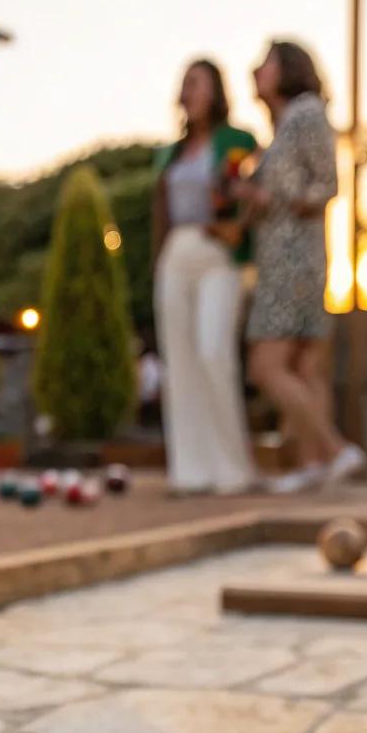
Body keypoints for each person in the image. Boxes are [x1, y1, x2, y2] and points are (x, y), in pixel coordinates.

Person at [239, 40, 365, 492]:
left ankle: (334, 449)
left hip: (292, 260)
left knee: (265, 365)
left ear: (287, 69)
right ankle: (315, 466)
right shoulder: (284, 126)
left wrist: (267, 199)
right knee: (306, 367)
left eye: (265, 64)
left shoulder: (306, 113)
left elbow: (327, 185)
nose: (255, 71)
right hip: (301, 256)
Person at [151, 59, 257, 495]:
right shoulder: (169, 154)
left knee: (214, 351)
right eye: (184, 83)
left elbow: (260, 187)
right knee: (180, 362)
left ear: (214, 90)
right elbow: (160, 213)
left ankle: (233, 469)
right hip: (176, 253)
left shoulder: (239, 140)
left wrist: (242, 226)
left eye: (196, 82)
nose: (188, 90)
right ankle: (191, 470)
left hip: (218, 254)